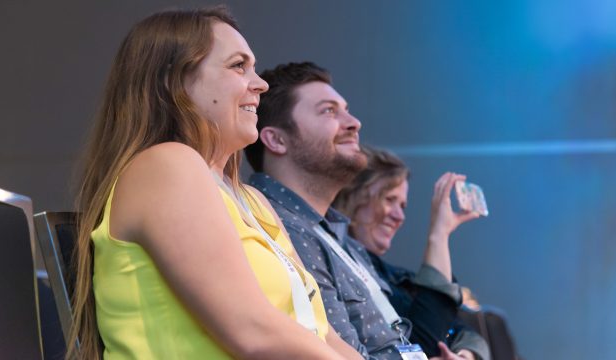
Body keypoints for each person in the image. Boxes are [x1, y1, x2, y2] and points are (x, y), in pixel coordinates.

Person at [71, 8, 360, 359]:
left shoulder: (251, 199)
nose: (260, 84)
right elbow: (251, 331)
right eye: (238, 66)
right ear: (174, 81)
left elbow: (319, 332)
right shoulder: (166, 165)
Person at [244, 61, 479, 359]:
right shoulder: (278, 227)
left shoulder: (340, 238)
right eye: (329, 110)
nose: (354, 122)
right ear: (277, 139)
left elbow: (430, 334)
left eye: (345, 109)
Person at [333, 146, 490, 359]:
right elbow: (421, 342)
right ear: (352, 197)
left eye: (403, 206)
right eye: (389, 200)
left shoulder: (399, 278)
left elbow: (463, 331)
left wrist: (464, 356)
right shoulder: (334, 268)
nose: (399, 216)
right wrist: (439, 234)